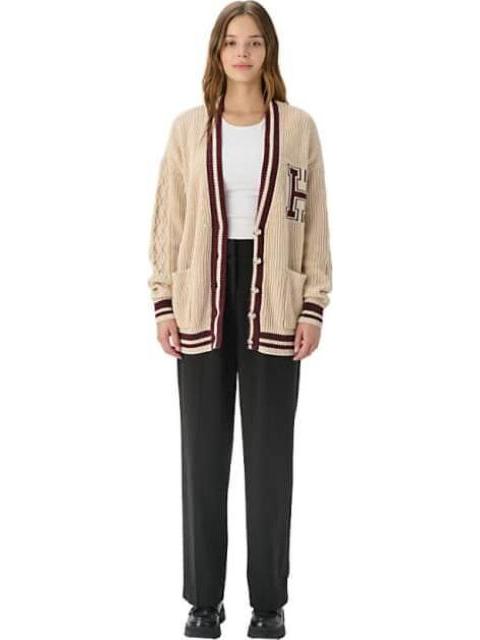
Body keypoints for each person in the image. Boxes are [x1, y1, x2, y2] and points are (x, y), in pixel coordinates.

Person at [147, 2, 332, 637]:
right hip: (201, 291)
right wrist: (164, 299)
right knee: (202, 455)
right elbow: (169, 217)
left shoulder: (298, 128)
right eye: (232, 42)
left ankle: (268, 602)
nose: (243, 53)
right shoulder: (189, 128)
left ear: (268, 50)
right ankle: (204, 601)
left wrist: (312, 304)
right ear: (217, 52)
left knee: (270, 459)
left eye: (254, 42)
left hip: (274, 296)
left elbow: (313, 220)